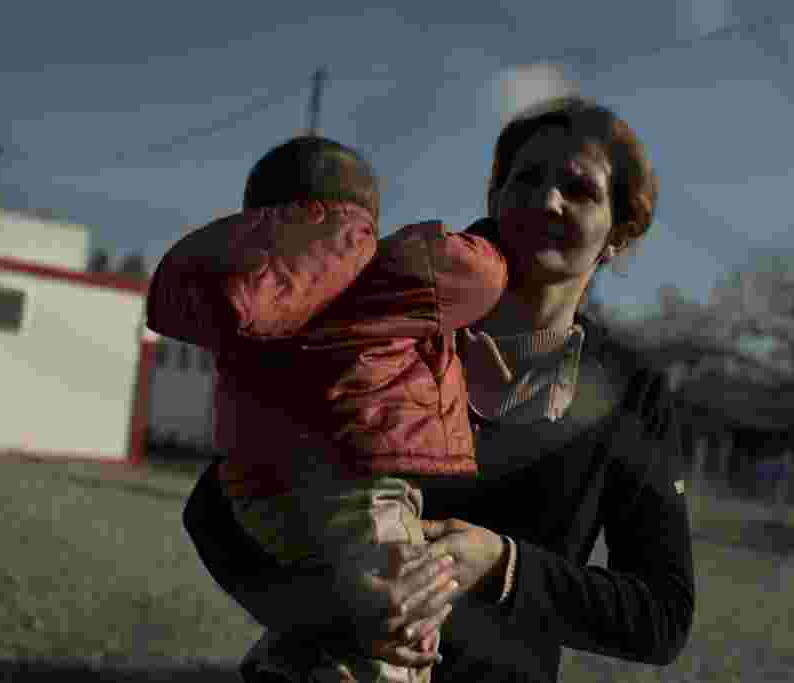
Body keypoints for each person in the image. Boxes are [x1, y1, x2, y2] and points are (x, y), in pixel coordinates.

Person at [182, 96, 696, 682]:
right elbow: (215, 508)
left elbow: (661, 615)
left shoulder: (631, 393)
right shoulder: (393, 320)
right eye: (525, 178)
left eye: (580, 190)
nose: (545, 199)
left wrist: (503, 565)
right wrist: (332, 611)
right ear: (495, 198)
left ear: (619, 234)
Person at [146, 135, 508, 683]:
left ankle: (286, 663)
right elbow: (477, 272)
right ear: (363, 216)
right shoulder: (385, 279)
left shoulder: (253, 284)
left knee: (329, 600)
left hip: (255, 495)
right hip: (356, 491)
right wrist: (456, 243)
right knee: (399, 626)